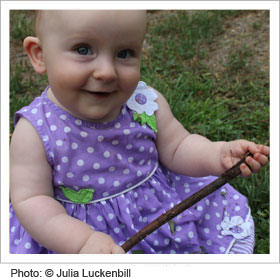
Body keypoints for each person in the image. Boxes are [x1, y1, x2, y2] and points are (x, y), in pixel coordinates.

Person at [10, 10, 269, 254]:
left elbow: (178, 147)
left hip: (154, 213)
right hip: (70, 234)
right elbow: (32, 200)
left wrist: (218, 154)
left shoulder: (143, 104)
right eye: (83, 50)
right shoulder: (35, 132)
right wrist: (82, 241)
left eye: (124, 53)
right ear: (39, 55)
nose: (106, 72)